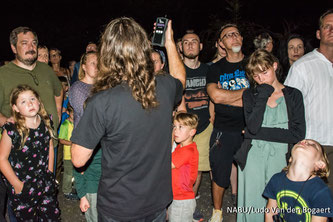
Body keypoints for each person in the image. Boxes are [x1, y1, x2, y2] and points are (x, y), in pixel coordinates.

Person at [71, 17, 185, 222]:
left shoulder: (101, 101)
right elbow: (181, 81)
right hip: (157, 201)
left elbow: (78, 159)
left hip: (120, 207)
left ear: (107, 53)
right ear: (143, 49)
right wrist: (169, 41)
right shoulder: (165, 85)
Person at [234, 49, 306, 222]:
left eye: (264, 72)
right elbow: (252, 126)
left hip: (282, 156)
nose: (261, 79)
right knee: (252, 204)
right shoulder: (250, 95)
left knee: (279, 204)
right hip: (253, 157)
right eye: (256, 76)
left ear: (274, 66)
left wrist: (257, 134)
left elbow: (297, 134)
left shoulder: (293, 94)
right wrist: (264, 93)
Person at [0, 26, 63, 220]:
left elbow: (58, 92)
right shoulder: (3, 73)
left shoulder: (46, 69)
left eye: (34, 43)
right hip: (20, 159)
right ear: (13, 47)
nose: (31, 47)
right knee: (22, 210)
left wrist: (57, 116)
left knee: (48, 204)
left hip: (47, 147)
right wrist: (4, 120)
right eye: (24, 43)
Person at [284, 9, 333, 191]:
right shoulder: (302, 66)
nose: (332, 30)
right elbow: (287, 108)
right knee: (312, 205)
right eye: (327, 26)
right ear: (319, 34)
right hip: (316, 147)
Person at [206, 23, 250, 222]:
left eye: (236, 34)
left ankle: (249, 210)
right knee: (219, 172)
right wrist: (248, 94)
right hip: (223, 129)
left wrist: (228, 96)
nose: (234, 37)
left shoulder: (252, 64)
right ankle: (217, 212)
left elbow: (263, 95)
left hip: (250, 130)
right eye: (228, 35)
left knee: (250, 173)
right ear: (222, 43)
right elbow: (216, 96)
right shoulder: (216, 68)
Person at [0, 84, 60, 221]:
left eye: (32, 99)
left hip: (45, 182)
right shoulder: (12, 129)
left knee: (51, 216)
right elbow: (1, 158)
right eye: (23, 101)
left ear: (39, 101)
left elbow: (50, 146)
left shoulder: (46, 121)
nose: (30, 103)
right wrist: (17, 184)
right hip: (23, 186)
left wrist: (50, 172)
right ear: (15, 108)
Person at [178, 31, 213, 221]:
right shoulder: (176, 70)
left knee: (196, 169)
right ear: (180, 47)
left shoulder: (208, 70)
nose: (190, 45)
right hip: (180, 128)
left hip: (203, 127)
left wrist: (212, 118)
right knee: (176, 167)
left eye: (194, 42)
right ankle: (174, 203)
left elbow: (214, 96)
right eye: (186, 42)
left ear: (200, 46)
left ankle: (190, 205)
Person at [264, 139, 333, 221]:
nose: (303, 142)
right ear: (290, 159)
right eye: (300, 142)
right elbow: (270, 212)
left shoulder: (320, 191)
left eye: (312, 145)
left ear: (320, 164)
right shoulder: (276, 179)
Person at [69, 51, 101, 221]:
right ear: (83, 66)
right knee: (88, 185)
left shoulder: (105, 86)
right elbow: (88, 114)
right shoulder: (78, 88)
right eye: (93, 62)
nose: (97, 66)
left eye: (99, 62)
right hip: (86, 142)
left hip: (103, 144)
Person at [169, 112, 199, 222]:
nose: (176, 131)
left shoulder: (188, 151)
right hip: (176, 197)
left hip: (182, 200)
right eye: (174, 127)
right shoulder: (180, 147)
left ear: (192, 132)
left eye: (180, 127)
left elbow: (167, 165)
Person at [58, 104, 76, 200]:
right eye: (73, 113)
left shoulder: (77, 123)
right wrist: (72, 143)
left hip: (77, 153)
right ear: (68, 113)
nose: (75, 115)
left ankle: (74, 187)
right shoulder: (65, 124)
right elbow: (61, 139)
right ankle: (66, 191)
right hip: (68, 154)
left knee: (75, 172)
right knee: (68, 173)